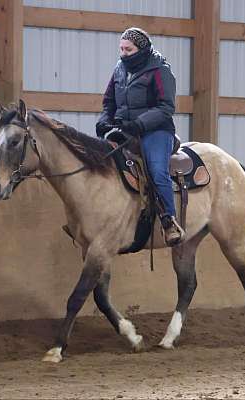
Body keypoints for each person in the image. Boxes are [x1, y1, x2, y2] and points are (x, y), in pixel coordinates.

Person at [96, 27, 185, 246]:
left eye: (128, 49)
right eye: (121, 49)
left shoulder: (160, 70)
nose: (123, 53)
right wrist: (104, 119)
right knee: (99, 162)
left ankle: (168, 220)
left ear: (141, 49)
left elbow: (166, 107)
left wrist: (139, 124)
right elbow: (109, 102)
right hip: (127, 128)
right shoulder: (119, 69)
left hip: (156, 130)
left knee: (156, 170)